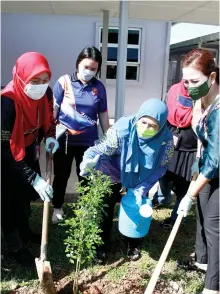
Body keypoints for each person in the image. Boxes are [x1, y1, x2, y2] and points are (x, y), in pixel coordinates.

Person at [80, 99, 174, 262]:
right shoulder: (121, 130)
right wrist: (88, 160)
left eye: (152, 126)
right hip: (111, 169)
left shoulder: (165, 141)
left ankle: (133, 242)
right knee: (104, 207)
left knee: (136, 207)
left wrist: (142, 188)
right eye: (143, 122)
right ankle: (101, 246)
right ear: (138, 118)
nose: (145, 128)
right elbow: (99, 149)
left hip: (140, 176)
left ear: (161, 127)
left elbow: (161, 167)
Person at [1, 52, 59, 267]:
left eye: (45, 81)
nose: (41, 86)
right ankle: (15, 244)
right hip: (7, 156)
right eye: (35, 81)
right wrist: (32, 176)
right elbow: (4, 149)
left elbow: (50, 120)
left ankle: (24, 232)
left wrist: (51, 137)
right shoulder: (7, 102)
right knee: (10, 201)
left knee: (24, 197)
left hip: (28, 148)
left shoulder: (46, 94)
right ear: (22, 77)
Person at [176, 49, 219, 294]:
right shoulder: (201, 98)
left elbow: (215, 161)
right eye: (186, 81)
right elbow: (202, 139)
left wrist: (189, 194)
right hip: (206, 163)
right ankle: (202, 261)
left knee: (214, 226)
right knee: (202, 215)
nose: (189, 86)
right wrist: (196, 161)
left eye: (194, 81)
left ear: (211, 77)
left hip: (216, 167)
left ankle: (214, 289)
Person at [52, 46, 110, 224]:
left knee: (85, 176)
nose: (89, 71)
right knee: (61, 175)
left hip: (88, 143)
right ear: (78, 64)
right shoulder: (64, 82)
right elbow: (53, 111)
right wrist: (49, 135)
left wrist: (108, 138)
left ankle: (85, 208)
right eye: (86, 67)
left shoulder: (98, 87)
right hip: (65, 141)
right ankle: (57, 208)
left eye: (94, 69)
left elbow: (103, 114)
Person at [152, 80, 197, 228]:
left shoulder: (202, 96)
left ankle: (176, 217)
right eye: (186, 80)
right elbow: (164, 115)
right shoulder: (173, 91)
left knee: (184, 185)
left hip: (190, 150)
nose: (188, 84)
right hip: (170, 144)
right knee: (163, 175)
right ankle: (162, 199)